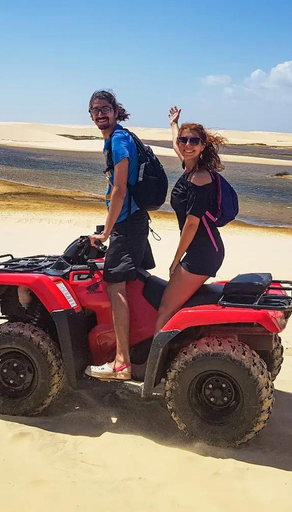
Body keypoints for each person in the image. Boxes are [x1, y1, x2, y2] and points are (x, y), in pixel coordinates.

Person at [85, 90, 155, 381]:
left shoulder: (118, 140)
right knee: (131, 281)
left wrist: (107, 231)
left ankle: (122, 362)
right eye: (95, 110)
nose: (100, 114)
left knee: (115, 284)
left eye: (105, 108)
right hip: (132, 221)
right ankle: (140, 350)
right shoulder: (117, 137)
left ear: (115, 110)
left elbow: (120, 189)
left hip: (127, 224)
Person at [154, 106, 226, 333]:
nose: (187, 144)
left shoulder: (201, 178)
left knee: (166, 307)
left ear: (203, 146)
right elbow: (176, 144)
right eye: (185, 140)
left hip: (203, 253)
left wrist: (176, 260)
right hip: (201, 249)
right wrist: (174, 123)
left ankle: (153, 366)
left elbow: (192, 224)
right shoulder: (189, 168)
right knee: (173, 304)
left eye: (194, 141)